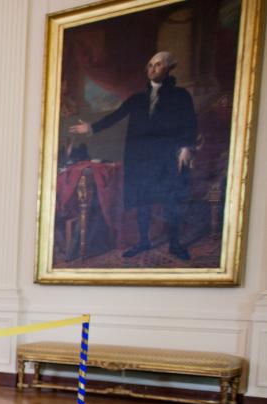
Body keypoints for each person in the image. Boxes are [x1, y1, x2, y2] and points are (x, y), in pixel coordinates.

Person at [69, 51, 197, 260]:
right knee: (142, 201)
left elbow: (189, 121)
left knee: (171, 201)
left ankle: (175, 244)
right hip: (140, 159)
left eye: (158, 64)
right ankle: (144, 241)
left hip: (167, 157)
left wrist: (185, 147)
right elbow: (115, 116)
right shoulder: (137, 98)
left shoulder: (180, 95)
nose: (153, 69)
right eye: (150, 65)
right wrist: (91, 128)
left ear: (168, 68)